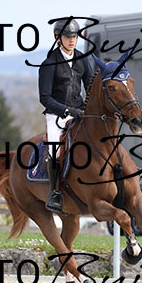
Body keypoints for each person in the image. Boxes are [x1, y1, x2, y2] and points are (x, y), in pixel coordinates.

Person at [38, 19, 94, 213]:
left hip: (80, 111)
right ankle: (54, 192)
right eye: (68, 37)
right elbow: (45, 98)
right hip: (56, 115)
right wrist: (67, 110)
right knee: (55, 150)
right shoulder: (49, 64)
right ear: (58, 38)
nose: (72, 40)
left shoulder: (82, 59)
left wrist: (88, 108)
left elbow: (90, 86)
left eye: (75, 37)